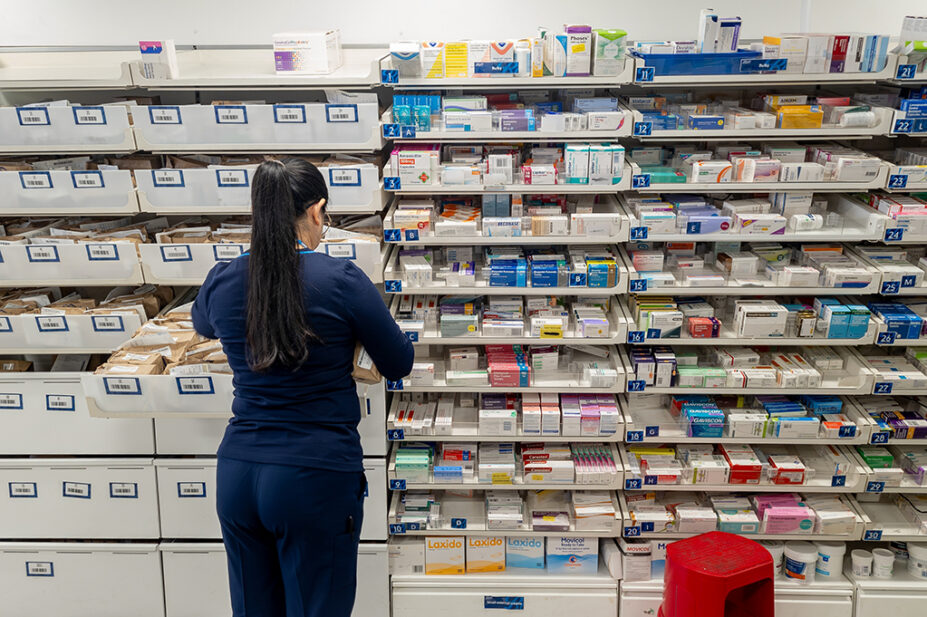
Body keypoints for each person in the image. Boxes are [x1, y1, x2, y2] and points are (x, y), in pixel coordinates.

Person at [192, 158, 414, 617]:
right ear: (317, 212)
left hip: (239, 472)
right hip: (313, 477)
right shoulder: (341, 280)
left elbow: (204, 325)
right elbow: (398, 362)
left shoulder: (224, 278)